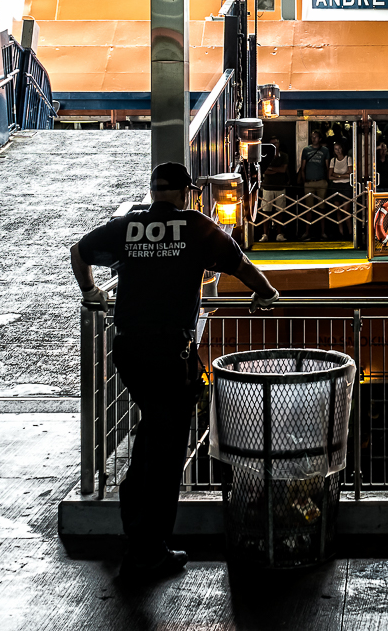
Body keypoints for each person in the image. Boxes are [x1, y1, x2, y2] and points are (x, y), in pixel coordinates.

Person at [71, 162, 279, 583]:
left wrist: (91, 292)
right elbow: (241, 265)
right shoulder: (196, 226)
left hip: (130, 349)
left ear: (152, 193)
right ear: (187, 193)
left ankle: (138, 538)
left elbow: (79, 252)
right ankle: (149, 552)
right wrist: (267, 292)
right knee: (166, 455)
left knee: (151, 437)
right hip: (170, 353)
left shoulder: (128, 226)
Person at [298, 130, 331, 239]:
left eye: (316, 137)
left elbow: (327, 167)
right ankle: (307, 232)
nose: (313, 139)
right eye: (312, 137)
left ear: (320, 138)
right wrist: (304, 180)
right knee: (309, 208)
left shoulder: (325, 150)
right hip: (309, 181)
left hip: (321, 181)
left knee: (322, 208)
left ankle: (323, 232)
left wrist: (326, 180)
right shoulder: (306, 150)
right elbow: (303, 167)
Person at [258, 150, 292, 241]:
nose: (274, 145)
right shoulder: (264, 155)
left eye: (276, 143)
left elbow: (283, 170)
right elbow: (264, 170)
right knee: (266, 211)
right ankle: (265, 234)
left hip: (280, 187)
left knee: (280, 211)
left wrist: (271, 168)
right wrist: (277, 170)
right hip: (267, 187)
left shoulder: (284, 155)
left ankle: (279, 234)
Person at [328, 140, 354, 239]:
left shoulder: (348, 159)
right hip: (336, 186)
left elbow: (351, 175)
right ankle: (341, 232)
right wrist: (343, 175)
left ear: (342, 149)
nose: (338, 151)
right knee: (338, 210)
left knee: (346, 210)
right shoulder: (333, 160)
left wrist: (337, 175)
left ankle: (350, 232)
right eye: (336, 149)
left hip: (346, 186)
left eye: (339, 148)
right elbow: (330, 176)